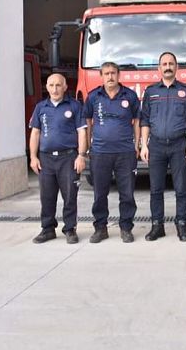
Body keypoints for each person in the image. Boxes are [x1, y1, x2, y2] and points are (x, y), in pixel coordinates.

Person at [140, 51, 186, 242]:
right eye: (164, 64)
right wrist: (144, 145)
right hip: (156, 146)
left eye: (171, 64)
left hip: (179, 145)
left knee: (181, 189)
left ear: (176, 67)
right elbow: (145, 120)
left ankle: (182, 226)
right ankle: (157, 226)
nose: (167, 67)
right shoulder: (150, 92)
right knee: (156, 189)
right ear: (159, 68)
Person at [84, 61, 140, 243]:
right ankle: (100, 228)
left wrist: (137, 144)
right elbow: (88, 122)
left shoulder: (130, 96)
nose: (110, 77)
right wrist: (88, 146)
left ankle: (126, 228)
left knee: (127, 193)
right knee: (100, 194)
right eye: (106, 73)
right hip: (100, 153)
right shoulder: (93, 96)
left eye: (113, 73)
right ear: (101, 76)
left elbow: (137, 121)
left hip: (125, 152)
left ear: (118, 75)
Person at [29, 74, 87, 244]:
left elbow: (82, 132)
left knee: (70, 195)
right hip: (45, 159)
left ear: (65, 87)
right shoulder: (41, 107)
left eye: (58, 85)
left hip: (68, 158)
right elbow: (35, 133)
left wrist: (81, 155)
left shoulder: (75, 106)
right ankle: (47, 229)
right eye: (51, 85)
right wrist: (33, 157)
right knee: (47, 196)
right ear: (47, 87)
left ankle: (70, 229)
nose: (55, 89)